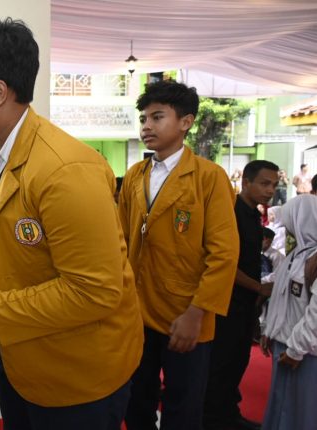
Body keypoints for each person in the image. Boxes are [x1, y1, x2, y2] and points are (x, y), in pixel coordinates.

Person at [0, 18, 143, 429]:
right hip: (20, 355)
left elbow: (94, 292)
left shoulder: (65, 170)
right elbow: (3, 222)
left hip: (77, 376)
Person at [118, 80, 239, 430]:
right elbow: (120, 239)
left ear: (186, 122)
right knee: (135, 401)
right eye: (143, 118)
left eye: (157, 117)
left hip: (186, 313)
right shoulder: (135, 176)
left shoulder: (209, 177)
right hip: (137, 310)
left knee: (183, 408)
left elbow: (224, 253)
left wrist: (197, 313)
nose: (146, 126)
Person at [203, 160, 278, 430]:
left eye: (274, 185)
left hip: (246, 302)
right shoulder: (231, 213)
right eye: (264, 183)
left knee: (238, 360)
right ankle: (214, 420)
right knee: (222, 362)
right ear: (246, 182)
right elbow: (224, 263)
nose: (270, 190)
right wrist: (258, 288)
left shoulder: (254, 214)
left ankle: (228, 413)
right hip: (227, 302)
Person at [260, 195, 317, 430]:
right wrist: (269, 330)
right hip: (285, 346)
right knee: (281, 407)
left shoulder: (313, 260)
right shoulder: (295, 256)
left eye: (290, 225)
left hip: (305, 353)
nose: (288, 231)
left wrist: (296, 349)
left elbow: (316, 315)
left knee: (301, 413)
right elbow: (279, 298)